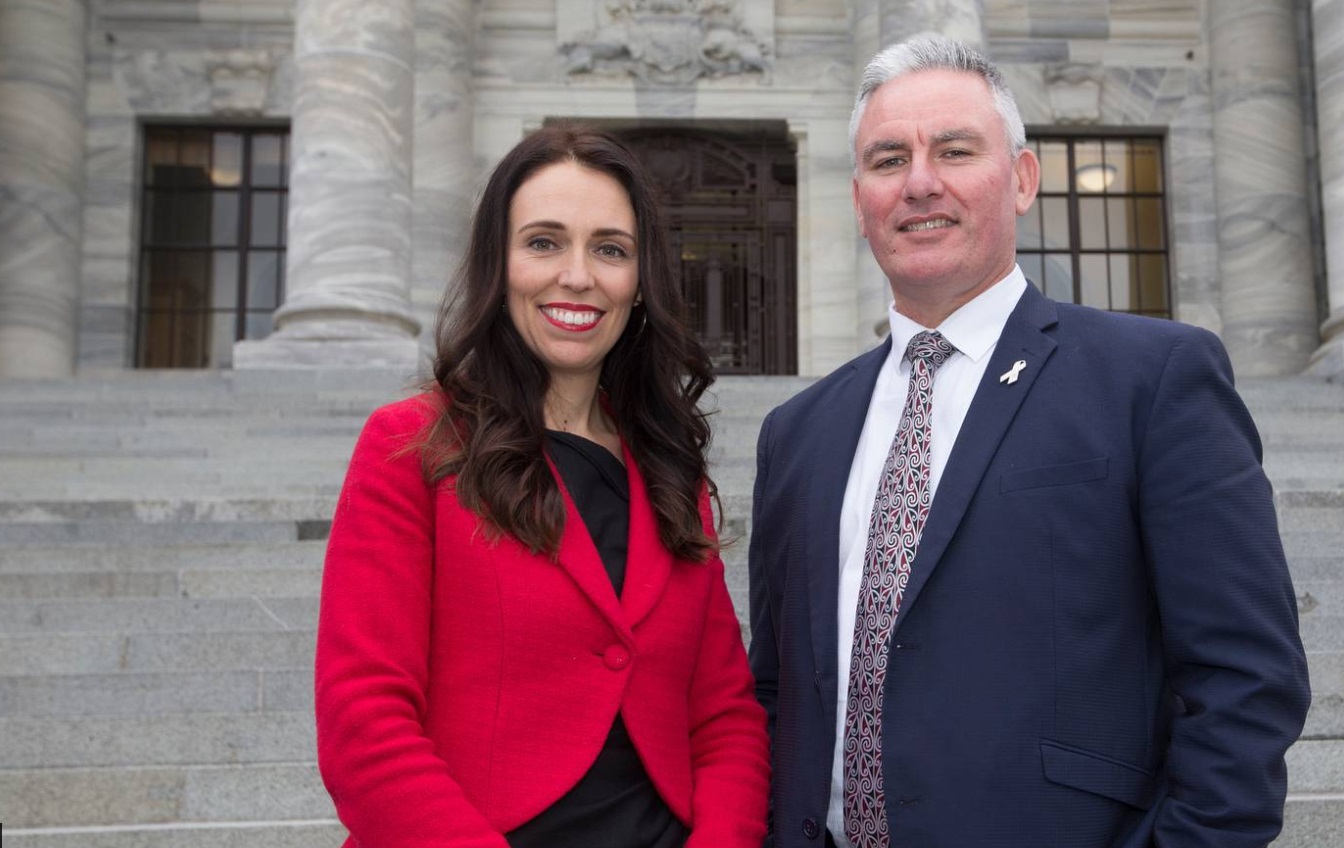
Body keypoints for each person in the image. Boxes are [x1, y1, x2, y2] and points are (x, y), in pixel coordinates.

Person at [748, 34, 1310, 848]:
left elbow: (1246, 680)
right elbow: (776, 689)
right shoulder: (797, 433)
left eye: (953, 150)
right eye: (887, 158)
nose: (920, 183)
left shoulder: (1152, 380)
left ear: (1021, 179)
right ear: (859, 195)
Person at [316, 124, 769, 848]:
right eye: (544, 242)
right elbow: (364, 723)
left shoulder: (670, 470)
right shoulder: (412, 445)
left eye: (611, 250)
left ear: (641, 282)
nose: (578, 276)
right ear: (499, 265)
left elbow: (725, 718)